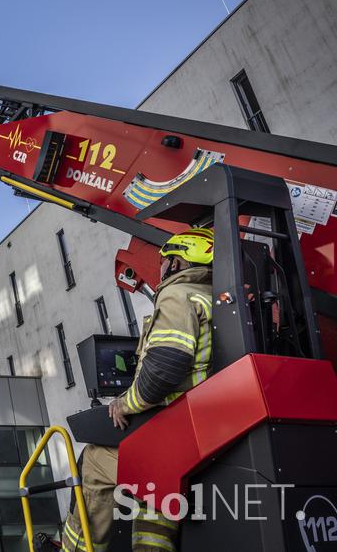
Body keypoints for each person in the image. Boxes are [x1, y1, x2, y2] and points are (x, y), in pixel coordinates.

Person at [52, 228, 214, 552]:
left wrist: (126, 404)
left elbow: (165, 367)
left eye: (166, 261)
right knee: (146, 480)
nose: (162, 270)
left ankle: (79, 548)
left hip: (179, 430)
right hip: (204, 425)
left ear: (178, 261)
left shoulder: (178, 294)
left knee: (94, 459)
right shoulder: (217, 296)